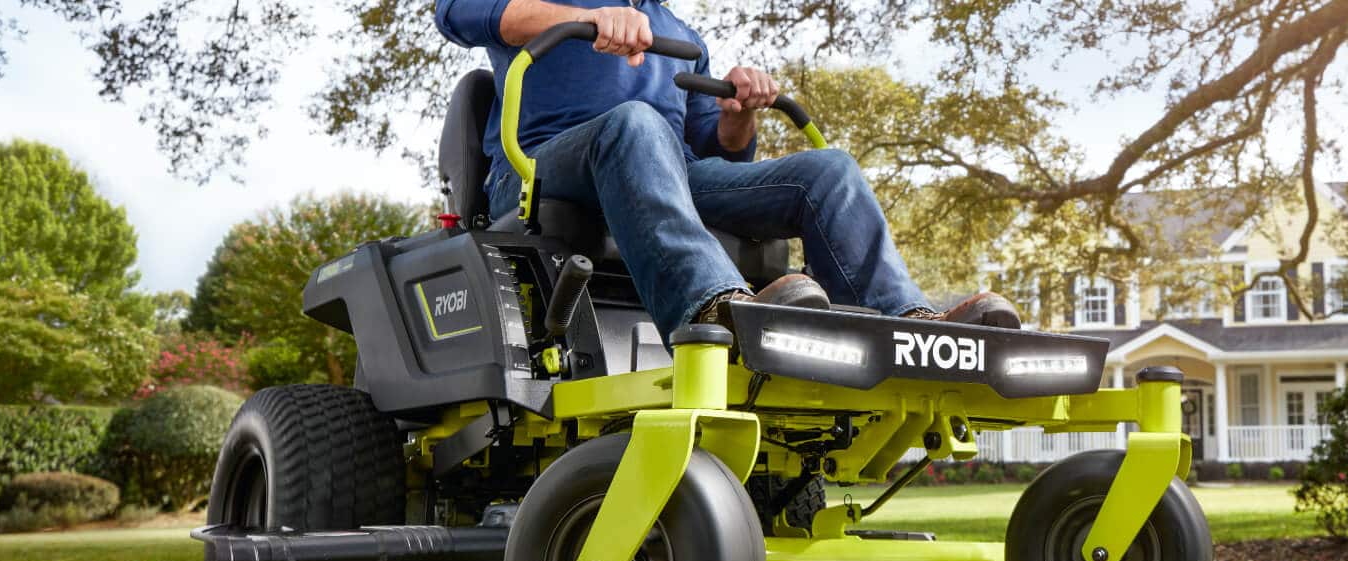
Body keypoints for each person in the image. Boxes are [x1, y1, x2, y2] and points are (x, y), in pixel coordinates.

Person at [434, 0, 1018, 333]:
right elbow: (457, 11)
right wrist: (590, 19)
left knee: (829, 169)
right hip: (537, 166)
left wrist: (738, 112)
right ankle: (712, 308)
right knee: (636, 124)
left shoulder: (679, 35)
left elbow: (716, 155)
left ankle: (907, 324)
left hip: (667, 168)